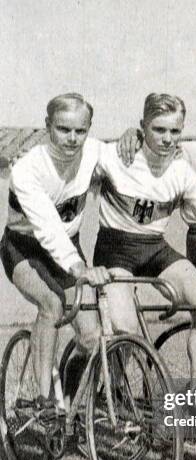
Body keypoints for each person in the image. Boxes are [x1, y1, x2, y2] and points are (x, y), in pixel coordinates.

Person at [93, 93, 196, 380]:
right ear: (142, 126)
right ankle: (115, 391)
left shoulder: (182, 171)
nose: (168, 138)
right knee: (126, 330)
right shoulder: (113, 156)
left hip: (155, 249)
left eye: (175, 131)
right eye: (159, 129)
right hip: (115, 251)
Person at [0, 93, 111, 419]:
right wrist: (78, 266)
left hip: (68, 246)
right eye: (64, 129)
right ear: (47, 126)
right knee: (51, 304)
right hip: (24, 248)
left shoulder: (94, 152)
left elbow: (124, 158)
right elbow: (48, 229)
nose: (73, 139)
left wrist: (133, 136)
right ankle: (45, 399)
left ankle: (67, 406)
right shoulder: (26, 169)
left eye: (81, 130)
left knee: (91, 338)